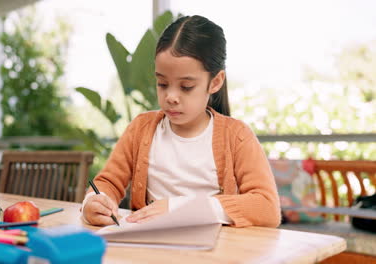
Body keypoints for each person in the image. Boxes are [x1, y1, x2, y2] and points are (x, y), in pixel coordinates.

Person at [81, 15, 281, 228]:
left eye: (186, 87)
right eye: (162, 83)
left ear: (215, 82)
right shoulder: (141, 129)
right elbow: (106, 183)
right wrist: (94, 202)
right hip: (148, 249)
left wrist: (180, 208)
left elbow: (267, 207)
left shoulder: (236, 136)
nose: (171, 97)